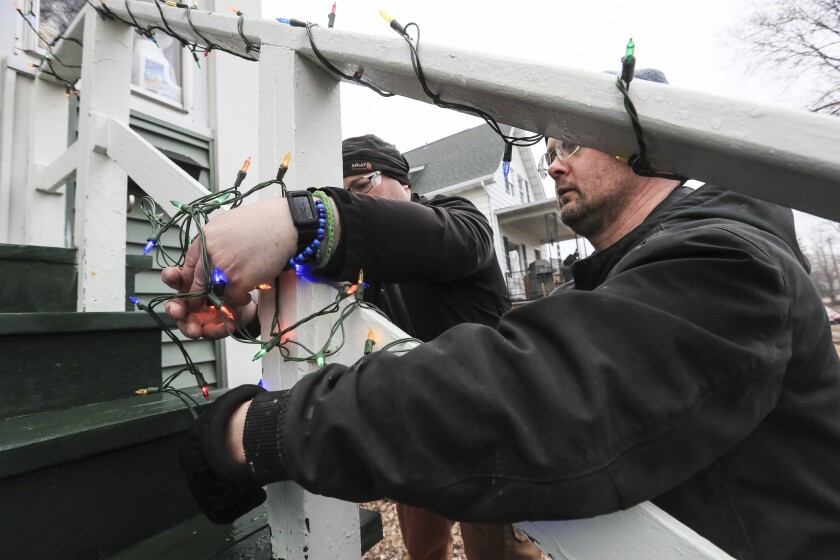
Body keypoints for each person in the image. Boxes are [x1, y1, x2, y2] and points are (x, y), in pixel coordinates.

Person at [172, 71, 840, 560]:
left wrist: (309, 218)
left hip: (459, 421)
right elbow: (350, 322)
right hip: (421, 416)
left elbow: (543, 394)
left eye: (570, 143)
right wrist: (265, 318)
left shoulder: (723, 261)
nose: (551, 163)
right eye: (546, 148)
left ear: (646, 141)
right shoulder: (631, 274)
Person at [167, 135, 542, 560]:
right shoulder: (367, 270)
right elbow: (327, 322)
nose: (356, 201)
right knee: (424, 550)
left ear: (404, 181)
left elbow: (441, 240)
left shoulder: (460, 217)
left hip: (485, 425)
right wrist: (247, 315)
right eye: (345, 195)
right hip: (411, 427)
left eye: (362, 187)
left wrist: (309, 218)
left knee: (499, 552)